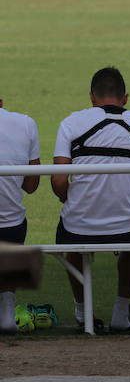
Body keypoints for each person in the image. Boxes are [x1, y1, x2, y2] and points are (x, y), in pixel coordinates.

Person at [51, 67, 130, 332]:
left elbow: (57, 182)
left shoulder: (70, 122)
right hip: (127, 228)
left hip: (78, 228)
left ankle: (82, 312)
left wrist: (73, 199)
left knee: (70, 233)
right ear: (125, 98)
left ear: (91, 97)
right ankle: (121, 313)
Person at [0, 98, 40, 333]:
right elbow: (32, 185)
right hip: (11, 226)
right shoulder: (26, 123)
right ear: (1, 102)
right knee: (14, 219)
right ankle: (6, 312)